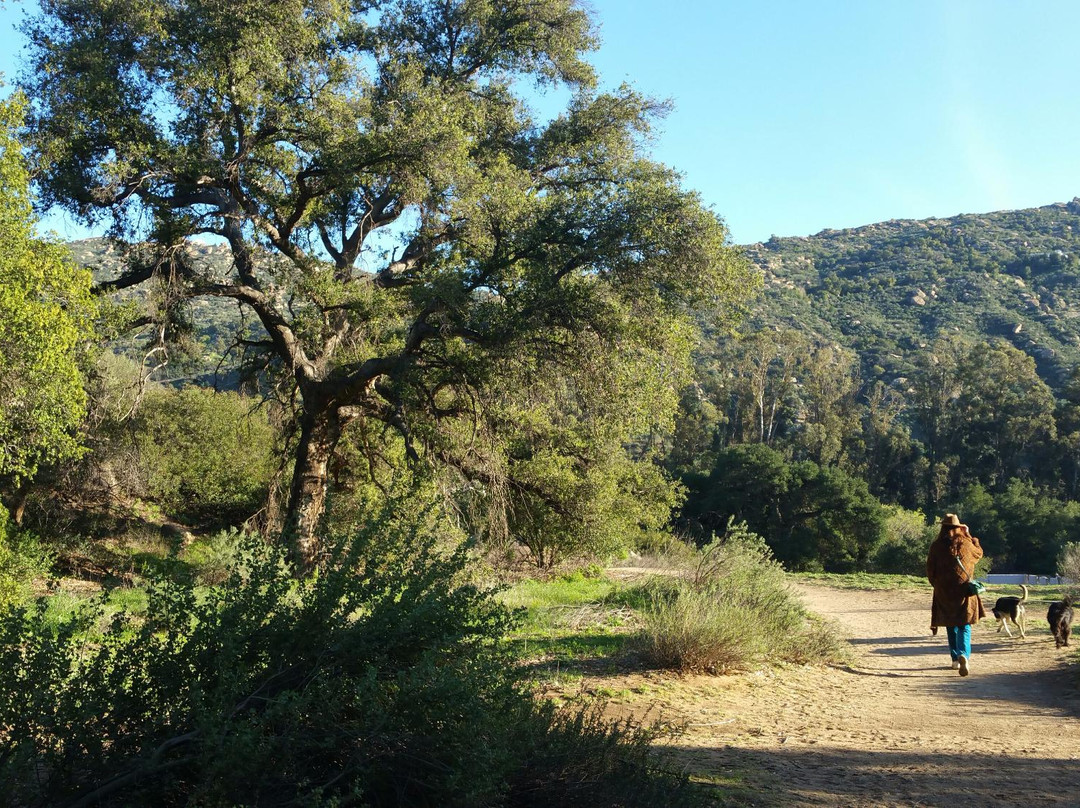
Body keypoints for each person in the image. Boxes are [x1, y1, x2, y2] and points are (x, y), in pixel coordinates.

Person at [926, 514, 985, 676]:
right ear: (959, 527)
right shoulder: (966, 543)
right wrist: (970, 535)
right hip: (964, 590)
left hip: (944, 590)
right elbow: (979, 553)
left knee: (950, 625)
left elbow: (930, 570)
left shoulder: (936, 546)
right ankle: (963, 654)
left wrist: (938, 585)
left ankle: (954, 660)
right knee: (964, 625)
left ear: (942, 527)